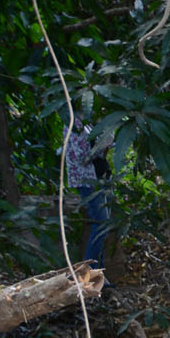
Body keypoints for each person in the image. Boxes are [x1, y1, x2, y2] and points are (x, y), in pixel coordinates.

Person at [64, 116, 112, 274]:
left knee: (102, 226)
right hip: (86, 180)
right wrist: (102, 145)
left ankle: (98, 274)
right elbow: (81, 157)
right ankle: (88, 275)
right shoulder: (74, 123)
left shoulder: (87, 122)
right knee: (100, 225)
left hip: (96, 178)